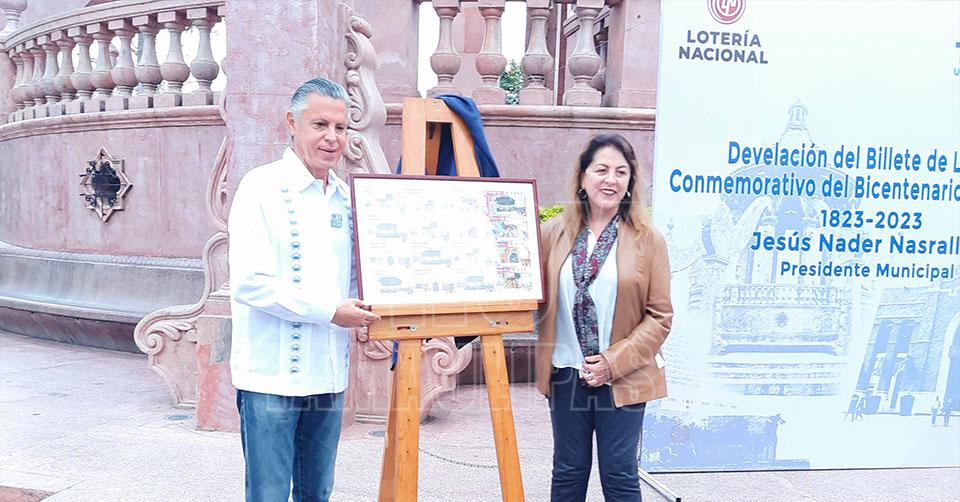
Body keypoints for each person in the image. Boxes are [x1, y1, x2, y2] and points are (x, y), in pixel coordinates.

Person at [228, 78, 380, 502]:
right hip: (271, 374)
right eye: (320, 125)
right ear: (291, 123)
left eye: (340, 128)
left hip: (328, 371)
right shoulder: (261, 187)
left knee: (318, 492)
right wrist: (330, 312)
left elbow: (357, 277)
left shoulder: (346, 198)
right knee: (269, 493)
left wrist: (379, 311)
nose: (332, 138)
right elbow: (250, 282)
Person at [536, 133, 673, 501]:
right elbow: (524, 291)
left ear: (630, 183)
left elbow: (660, 316)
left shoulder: (648, 240)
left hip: (624, 375)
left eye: (620, 172)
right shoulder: (552, 233)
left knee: (619, 475)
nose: (610, 180)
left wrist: (612, 363)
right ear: (582, 177)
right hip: (566, 373)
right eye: (601, 170)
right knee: (567, 472)